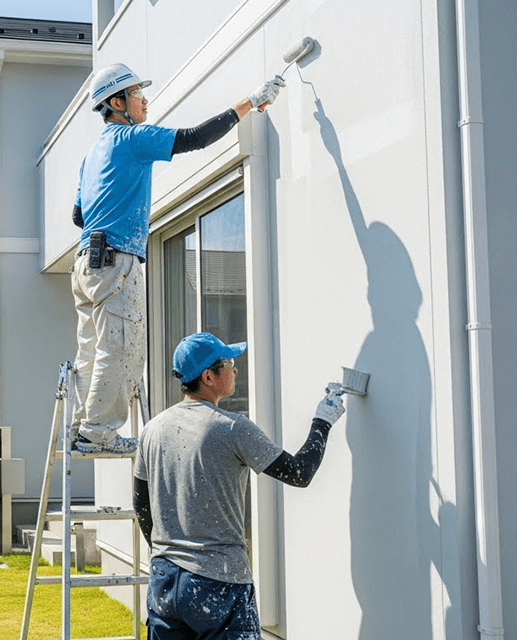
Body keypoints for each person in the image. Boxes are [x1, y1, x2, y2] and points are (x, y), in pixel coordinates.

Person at [71, 64, 285, 454]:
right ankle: (97, 434)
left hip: (86, 261)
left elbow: (78, 216)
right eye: (137, 94)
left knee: (92, 350)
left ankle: (82, 428)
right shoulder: (130, 138)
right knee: (120, 350)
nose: (144, 100)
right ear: (117, 103)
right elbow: (195, 138)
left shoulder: (92, 156)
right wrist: (252, 102)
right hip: (115, 259)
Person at [133, 332, 345, 639]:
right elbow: (299, 473)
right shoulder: (232, 428)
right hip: (218, 581)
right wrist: (322, 421)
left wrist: (165, 553)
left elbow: (141, 504)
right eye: (229, 363)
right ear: (208, 376)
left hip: (165, 581)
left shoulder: (153, 429)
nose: (235, 370)